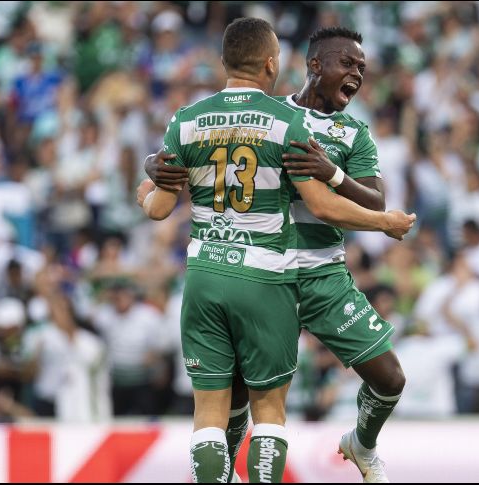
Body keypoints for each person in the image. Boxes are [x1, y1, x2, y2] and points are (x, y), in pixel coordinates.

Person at [137, 18, 415, 484]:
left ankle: (361, 445)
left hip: (318, 275)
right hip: (269, 273)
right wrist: (154, 163)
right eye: (347, 62)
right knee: (243, 402)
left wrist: (333, 172)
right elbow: (322, 204)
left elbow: (374, 199)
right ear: (311, 65)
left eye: (362, 66)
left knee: (390, 379)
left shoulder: (354, 135)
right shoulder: (275, 116)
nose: (357, 73)